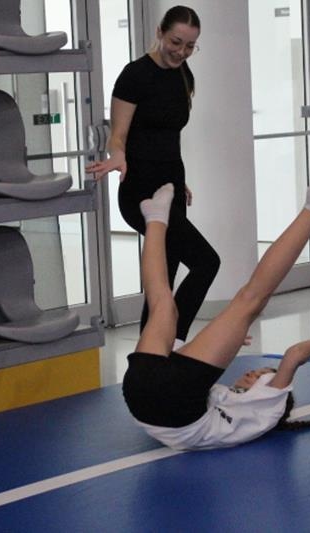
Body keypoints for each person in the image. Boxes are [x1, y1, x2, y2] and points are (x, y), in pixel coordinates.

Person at [122, 164, 310, 451]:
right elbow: (182, 369)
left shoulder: (270, 409)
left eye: (260, 377)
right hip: (144, 394)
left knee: (250, 300)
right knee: (162, 305)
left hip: (170, 405)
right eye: (257, 373)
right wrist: (224, 339)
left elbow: (293, 356)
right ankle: (155, 216)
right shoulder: (227, 400)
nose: (251, 375)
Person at [85, 6, 219, 348]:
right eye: (176, 42)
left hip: (170, 184)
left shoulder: (184, 75)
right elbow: (118, 135)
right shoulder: (135, 75)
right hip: (141, 189)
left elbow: (168, 136)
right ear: (160, 32)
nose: (181, 51)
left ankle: (151, 354)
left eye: (189, 46)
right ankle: (170, 340)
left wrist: (177, 180)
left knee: (164, 277)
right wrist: (117, 155)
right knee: (206, 262)